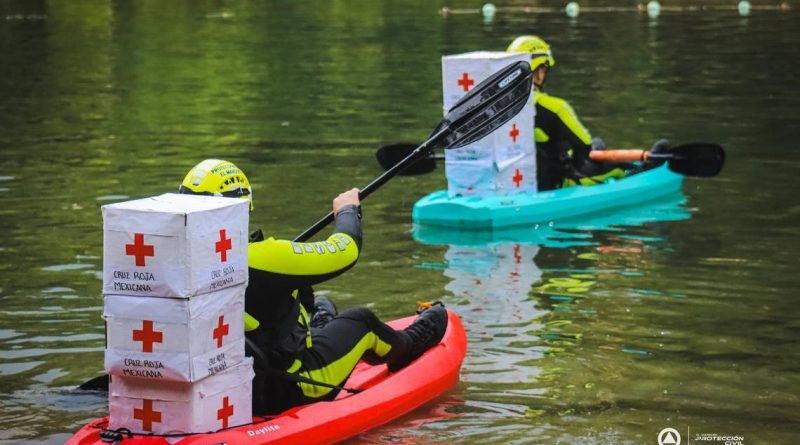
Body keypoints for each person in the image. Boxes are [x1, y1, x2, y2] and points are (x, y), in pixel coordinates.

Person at [178, 159, 448, 415]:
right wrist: (347, 210)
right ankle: (411, 343)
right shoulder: (259, 256)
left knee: (318, 303)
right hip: (280, 388)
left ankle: (321, 323)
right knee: (362, 321)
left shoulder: (166, 262)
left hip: (211, 391)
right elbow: (346, 250)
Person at [506, 36, 670, 190]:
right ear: (539, 72)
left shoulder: (497, 108)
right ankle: (648, 168)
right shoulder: (555, 107)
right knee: (646, 155)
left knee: (598, 143)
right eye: (543, 70)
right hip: (559, 183)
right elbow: (584, 144)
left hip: (518, 181)